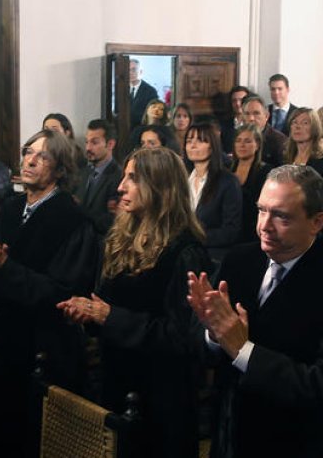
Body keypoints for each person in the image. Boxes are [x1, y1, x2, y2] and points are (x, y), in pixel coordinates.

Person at [187, 165, 323, 457]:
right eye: (261, 210)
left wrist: (244, 351)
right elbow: (197, 342)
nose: (265, 225)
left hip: (308, 442)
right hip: (235, 431)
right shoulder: (240, 261)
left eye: (281, 216)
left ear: (317, 222)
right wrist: (214, 336)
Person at [59, 148, 211, 458]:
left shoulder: (185, 251)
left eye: (133, 179)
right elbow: (107, 308)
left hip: (161, 399)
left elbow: (182, 338)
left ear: (161, 187)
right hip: (119, 384)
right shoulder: (121, 239)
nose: (120, 187)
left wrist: (109, 317)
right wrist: (88, 313)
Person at [0, 129, 100, 456]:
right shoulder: (11, 209)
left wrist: (4, 269)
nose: (30, 160)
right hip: (6, 340)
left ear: (60, 169)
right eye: (28, 151)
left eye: (42, 156)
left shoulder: (74, 220)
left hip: (47, 348)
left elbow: (65, 292)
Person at [186, 121, 243, 266]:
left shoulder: (228, 182)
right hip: (185, 253)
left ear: (212, 147)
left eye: (200, 141)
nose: (192, 145)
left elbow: (231, 231)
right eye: (189, 141)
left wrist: (196, 237)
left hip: (213, 257)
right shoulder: (183, 180)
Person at [77, 119, 124, 236]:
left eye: (94, 142)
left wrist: (78, 210)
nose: (88, 148)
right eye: (86, 142)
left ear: (110, 144)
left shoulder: (119, 177)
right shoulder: (81, 172)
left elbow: (110, 222)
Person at [231, 123, 271, 243]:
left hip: (254, 231)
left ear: (257, 145)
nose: (242, 145)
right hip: (231, 228)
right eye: (238, 141)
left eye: (247, 141)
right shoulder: (227, 170)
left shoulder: (266, 171)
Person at [284, 107, 323, 178]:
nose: (298, 126)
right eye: (294, 122)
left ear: (315, 128)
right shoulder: (285, 159)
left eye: (305, 123)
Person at [242, 95, 286, 167]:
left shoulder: (279, 141)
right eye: (247, 114)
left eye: (256, 113)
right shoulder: (239, 138)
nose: (251, 118)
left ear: (266, 116)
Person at [127, 60, 160, 126]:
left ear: (140, 72)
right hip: (124, 130)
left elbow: (153, 115)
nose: (130, 73)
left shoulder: (150, 91)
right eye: (128, 70)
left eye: (134, 70)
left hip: (142, 129)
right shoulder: (122, 89)